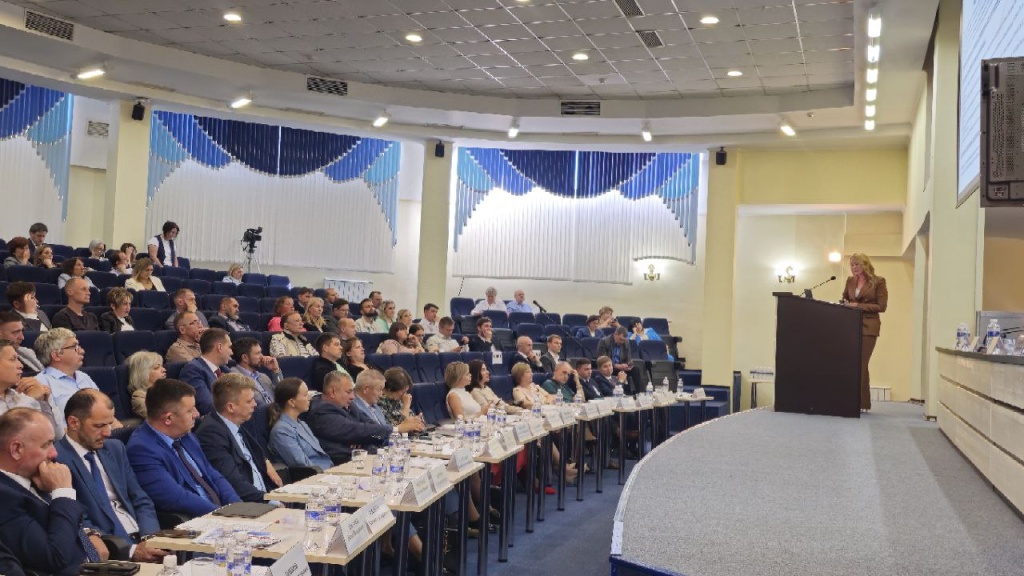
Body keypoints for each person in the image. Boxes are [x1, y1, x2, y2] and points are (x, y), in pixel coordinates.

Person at [55, 390, 167, 562]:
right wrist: (130, 551)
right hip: (111, 549)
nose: (108, 432)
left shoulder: (115, 448)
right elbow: (77, 519)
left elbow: (140, 499)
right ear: (74, 423)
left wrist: (150, 538)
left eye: (109, 424)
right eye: (99, 426)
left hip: (144, 538)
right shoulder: (57, 459)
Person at [0, 408, 101, 575]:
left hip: (99, 568)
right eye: (46, 445)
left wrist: (89, 533)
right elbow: (55, 557)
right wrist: (63, 492)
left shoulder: (36, 477)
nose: (54, 453)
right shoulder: (4, 496)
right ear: (16, 449)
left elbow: (68, 526)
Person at [126, 379, 241, 518]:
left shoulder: (186, 435)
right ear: (168, 418)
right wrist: (222, 515)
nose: (196, 414)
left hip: (222, 514)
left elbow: (212, 473)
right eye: (190, 411)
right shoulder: (141, 450)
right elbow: (176, 498)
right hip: (195, 520)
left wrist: (237, 508)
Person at [194, 374, 282, 503]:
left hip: (265, 495)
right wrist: (270, 500)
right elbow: (234, 483)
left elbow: (255, 455)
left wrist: (265, 460)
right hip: (250, 504)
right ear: (230, 407)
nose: (255, 404)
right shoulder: (211, 434)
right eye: (249, 401)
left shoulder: (235, 423)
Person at [306, 371, 392, 462]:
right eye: (348, 392)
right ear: (332, 392)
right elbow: (358, 431)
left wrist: (361, 439)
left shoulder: (349, 405)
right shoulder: (321, 413)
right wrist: (392, 430)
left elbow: (370, 426)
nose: (352, 397)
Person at [842, 253, 888, 412]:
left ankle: (851, 401)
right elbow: (845, 298)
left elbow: (881, 306)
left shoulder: (878, 281)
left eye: (857, 264)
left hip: (869, 326)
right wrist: (845, 303)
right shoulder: (850, 281)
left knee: (860, 362)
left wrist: (857, 306)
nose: (854, 267)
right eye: (852, 265)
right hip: (851, 326)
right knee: (858, 363)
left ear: (865, 265)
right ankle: (863, 403)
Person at [33, 328, 107, 420]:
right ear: (56, 355)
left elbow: (105, 409)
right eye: (75, 347)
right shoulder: (41, 383)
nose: (82, 351)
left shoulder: (83, 376)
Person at [0, 339, 61, 435]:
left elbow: (56, 435)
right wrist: (30, 399)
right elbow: (6, 436)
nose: (20, 365)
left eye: (18, 359)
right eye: (12, 359)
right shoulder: (27, 399)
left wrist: (44, 401)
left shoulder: (19, 396)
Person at [268, 378, 332, 470]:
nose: (309, 398)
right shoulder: (281, 431)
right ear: (292, 402)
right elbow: (302, 465)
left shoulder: (302, 424)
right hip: (314, 475)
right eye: (305, 395)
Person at [350, 369, 424, 434]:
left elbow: (385, 430)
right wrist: (401, 427)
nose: (381, 394)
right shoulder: (354, 408)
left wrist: (415, 422)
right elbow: (376, 432)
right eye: (379, 389)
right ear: (366, 389)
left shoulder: (375, 407)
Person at [178, 328, 233, 416]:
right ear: (219, 347)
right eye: (229, 347)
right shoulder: (193, 370)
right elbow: (207, 406)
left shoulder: (225, 370)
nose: (232, 352)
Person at [228, 337, 280, 406]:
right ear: (245, 358)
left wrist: (275, 370)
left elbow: (281, 395)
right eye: (258, 353)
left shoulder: (264, 377)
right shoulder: (234, 378)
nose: (262, 356)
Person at [597, 327, 644, 394]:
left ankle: (639, 393)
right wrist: (616, 366)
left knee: (636, 370)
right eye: (620, 339)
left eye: (623, 340)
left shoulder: (626, 342)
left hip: (621, 367)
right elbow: (602, 360)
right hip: (610, 367)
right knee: (612, 369)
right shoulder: (604, 341)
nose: (622, 342)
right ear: (615, 334)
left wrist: (628, 366)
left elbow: (629, 358)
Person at [0, 310, 46, 377]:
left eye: (22, 331)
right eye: (15, 332)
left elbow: (45, 374)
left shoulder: (27, 352)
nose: (22, 337)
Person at [126, 351, 165, 419]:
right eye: (156, 367)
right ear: (143, 373)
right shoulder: (139, 396)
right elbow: (157, 418)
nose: (164, 370)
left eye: (162, 366)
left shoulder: (168, 389)